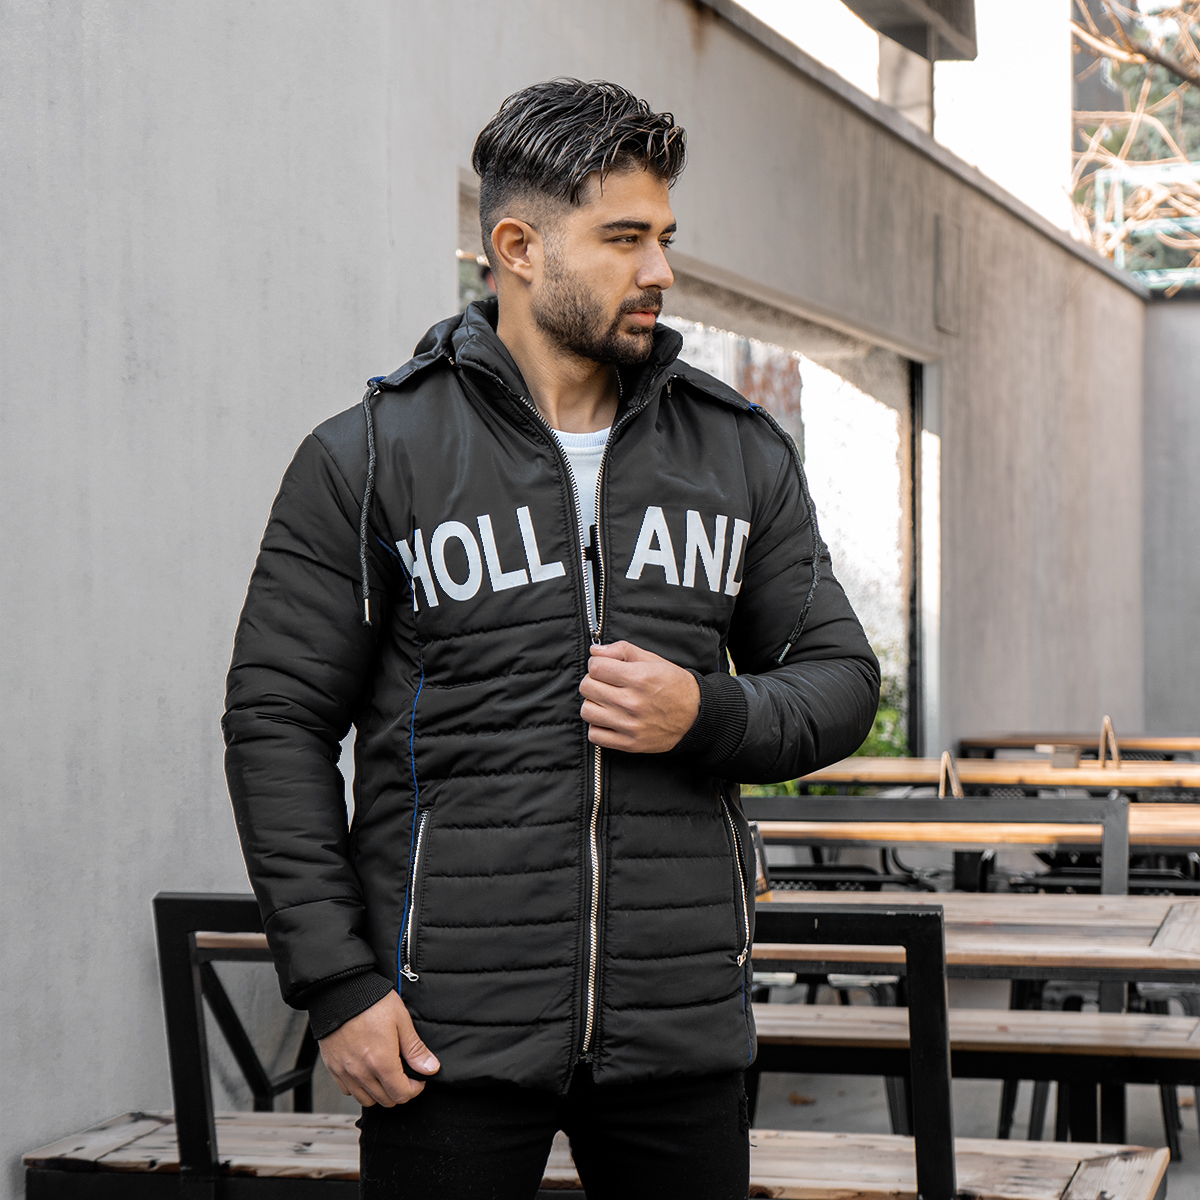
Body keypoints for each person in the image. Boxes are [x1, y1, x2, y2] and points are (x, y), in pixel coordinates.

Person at [223, 78, 880, 1200]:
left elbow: (842, 681)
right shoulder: (371, 457)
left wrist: (707, 713)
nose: (660, 270)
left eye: (665, 237)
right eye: (624, 239)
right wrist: (336, 985)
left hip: (677, 1025)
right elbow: (276, 723)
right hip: (444, 1031)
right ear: (519, 248)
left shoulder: (737, 452)